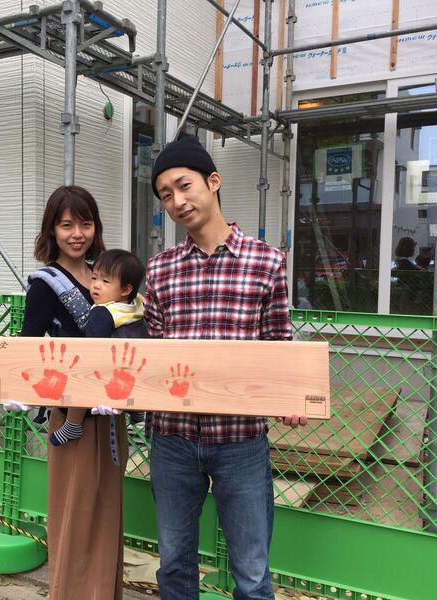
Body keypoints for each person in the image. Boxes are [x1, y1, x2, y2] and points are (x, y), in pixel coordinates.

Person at [143, 136, 305, 600]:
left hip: (241, 441)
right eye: (166, 195)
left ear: (213, 182)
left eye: (184, 186)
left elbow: (277, 343)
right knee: (175, 563)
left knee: (251, 573)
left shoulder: (266, 262)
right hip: (172, 438)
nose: (177, 201)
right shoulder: (160, 270)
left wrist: (290, 395)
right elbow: (152, 352)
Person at [10, 185, 127, 600]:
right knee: (73, 515)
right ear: (52, 231)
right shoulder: (45, 285)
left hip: (110, 416)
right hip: (71, 422)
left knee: (107, 513)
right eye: (66, 225)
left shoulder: (105, 276)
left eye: (85, 224)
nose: (77, 234)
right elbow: (29, 347)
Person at [49, 248, 148, 453]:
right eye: (94, 278)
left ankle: (73, 424)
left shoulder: (103, 313)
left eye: (105, 281)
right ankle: (136, 410)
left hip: (110, 370)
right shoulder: (136, 304)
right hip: (135, 369)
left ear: (125, 289)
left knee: (80, 373)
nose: (96, 285)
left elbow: (92, 351)